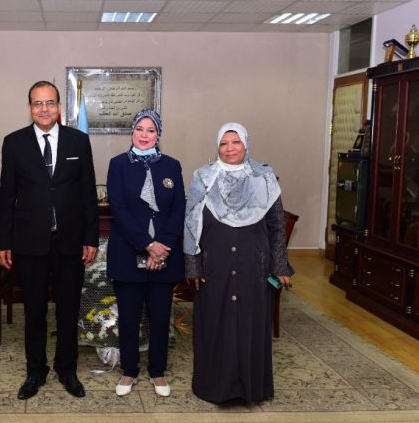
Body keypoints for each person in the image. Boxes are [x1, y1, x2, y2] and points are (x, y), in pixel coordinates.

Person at [0, 81, 99, 400]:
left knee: (68, 310)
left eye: (50, 103)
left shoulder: (78, 141)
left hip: (70, 243)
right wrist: (3, 242)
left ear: (59, 107)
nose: (44, 109)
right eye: (38, 103)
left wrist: (90, 238)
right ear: (29, 107)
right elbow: (7, 196)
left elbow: (88, 193)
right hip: (29, 244)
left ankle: (67, 369)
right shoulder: (14, 143)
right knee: (34, 311)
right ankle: (35, 371)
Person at [184, 122, 293, 404]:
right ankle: (214, 387)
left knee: (249, 326)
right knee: (215, 325)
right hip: (214, 264)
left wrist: (280, 265)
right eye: (224, 143)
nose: (229, 149)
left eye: (236, 143)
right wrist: (193, 265)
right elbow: (191, 224)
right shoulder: (203, 177)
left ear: (246, 145)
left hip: (254, 264)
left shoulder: (264, 177)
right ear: (217, 147)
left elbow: (277, 226)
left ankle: (251, 389)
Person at [106, 109, 185, 397]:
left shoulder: (172, 165)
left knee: (160, 318)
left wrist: (162, 246)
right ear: (132, 132)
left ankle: (157, 372)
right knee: (129, 318)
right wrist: (147, 245)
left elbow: (178, 208)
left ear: (158, 134)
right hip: (128, 253)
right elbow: (119, 209)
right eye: (139, 129)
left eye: (151, 130)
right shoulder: (118, 165)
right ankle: (129, 371)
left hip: (165, 256)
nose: (144, 135)